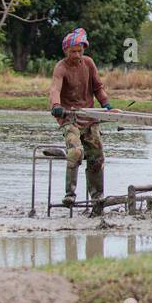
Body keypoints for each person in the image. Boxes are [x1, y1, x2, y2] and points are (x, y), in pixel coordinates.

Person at [49, 27, 113, 206]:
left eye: (80, 51)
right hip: (69, 117)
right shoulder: (60, 68)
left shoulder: (89, 63)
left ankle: (97, 197)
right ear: (66, 51)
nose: (77, 55)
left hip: (89, 117)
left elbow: (98, 88)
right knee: (76, 152)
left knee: (97, 156)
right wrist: (56, 105)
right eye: (73, 52)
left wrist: (106, 104)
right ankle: (70, 193)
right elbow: (55, 89)